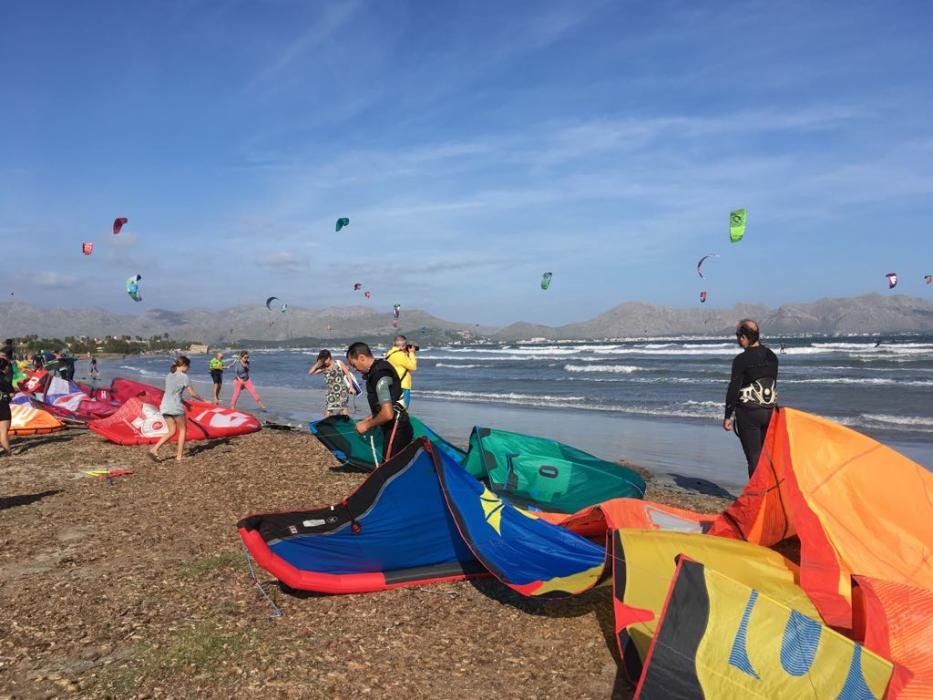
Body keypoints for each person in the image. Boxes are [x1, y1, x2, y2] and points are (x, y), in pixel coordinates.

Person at [723, 319, 779, 477]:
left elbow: (734, 388)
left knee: (754, 458)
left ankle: (756, 497)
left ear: (743, 337)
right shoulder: (772, 356)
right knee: (766, 457)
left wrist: (728, 415)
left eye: (738, 336)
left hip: (749, 413)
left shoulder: (741, 360)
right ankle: (767, 495)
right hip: (770, 412)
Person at [346, 342, 413, 462]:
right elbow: (387, 405)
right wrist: (369, 418)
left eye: (354, 365)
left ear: (362, 358)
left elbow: (387, 414)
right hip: (399, 428)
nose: (355, 369)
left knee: (389, 470)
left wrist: (367, 425)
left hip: (397, 430)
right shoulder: (379, 369)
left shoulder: (380, 375)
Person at [149, 356, 206, 462]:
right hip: (175, 407)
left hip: (164, 406)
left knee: (172, 431)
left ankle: (154, 449)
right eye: (188, 366)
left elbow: (172, 392)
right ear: (183, 365)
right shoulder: (184, 377)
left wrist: (185, 403)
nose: (189, 368)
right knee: (183, 430)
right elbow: (192, 393)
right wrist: (204, 400)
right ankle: (179, 456)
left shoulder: (169, 375)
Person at [308, 350, 353, 417]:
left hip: (342, 390)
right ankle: (328, 424)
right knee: (329, 409)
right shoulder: (324, 368)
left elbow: (348, 374)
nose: (324, 362)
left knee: (343, 409)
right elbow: (310, 373)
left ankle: (345, 424)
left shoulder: (339, 363)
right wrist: (317, 364)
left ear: (329, 357)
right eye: (323, 360)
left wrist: (351, 387)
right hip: (331, 391)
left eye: (325, 359)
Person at [385, 335, 417, 408]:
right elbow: (413, 367)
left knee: (394, 407)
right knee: (403, 409)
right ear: (403, 344)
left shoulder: (390, 353)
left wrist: (406, 352)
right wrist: (411, 353)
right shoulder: (400, 355)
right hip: (403, 385)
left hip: (393, 383)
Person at [0, 349, 14, 457]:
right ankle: (8, 452)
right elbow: (11, 394)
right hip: (3, 404)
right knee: (4, 430)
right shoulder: (4, 379)